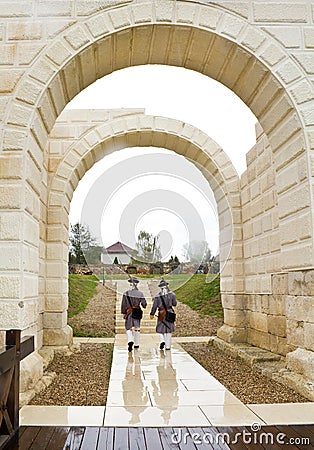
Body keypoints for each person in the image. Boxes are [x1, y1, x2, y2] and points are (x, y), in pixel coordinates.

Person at [150, 279, 177, 350]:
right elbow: (174, 304)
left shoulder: (157, 296)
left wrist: (152, 313)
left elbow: (154, 306)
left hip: (161, 313)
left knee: (160, 329)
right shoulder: (172, 294)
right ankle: (168, 346)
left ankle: (162, 341)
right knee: (169, 330)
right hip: (170, 313)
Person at [121, 277, 147, 352]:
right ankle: (136, 344)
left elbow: (123, 304)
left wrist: (123, 313)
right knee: (137, 328)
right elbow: (144, 304)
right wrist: (144, 305)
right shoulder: (140, 293)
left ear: (130, 284)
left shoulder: (126, 293)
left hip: (129, 312)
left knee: (128, 328)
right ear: (137, 284)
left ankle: (130, 340)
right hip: (137, 312)